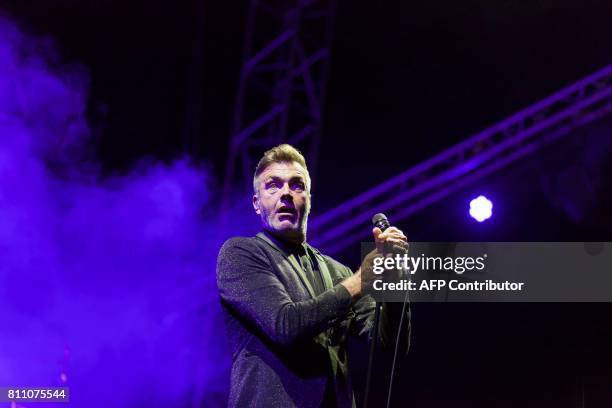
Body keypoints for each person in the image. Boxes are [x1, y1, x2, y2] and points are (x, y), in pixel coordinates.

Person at [216, 144, 411, 407]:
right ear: (256, 204)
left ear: (309, 199)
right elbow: (285, 325)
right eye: (273, 185)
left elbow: (389, 344)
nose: (285, 193)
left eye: (296, 186)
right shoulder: (240, 253)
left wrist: (393, 275)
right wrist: (361, 280)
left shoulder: (337, 272)